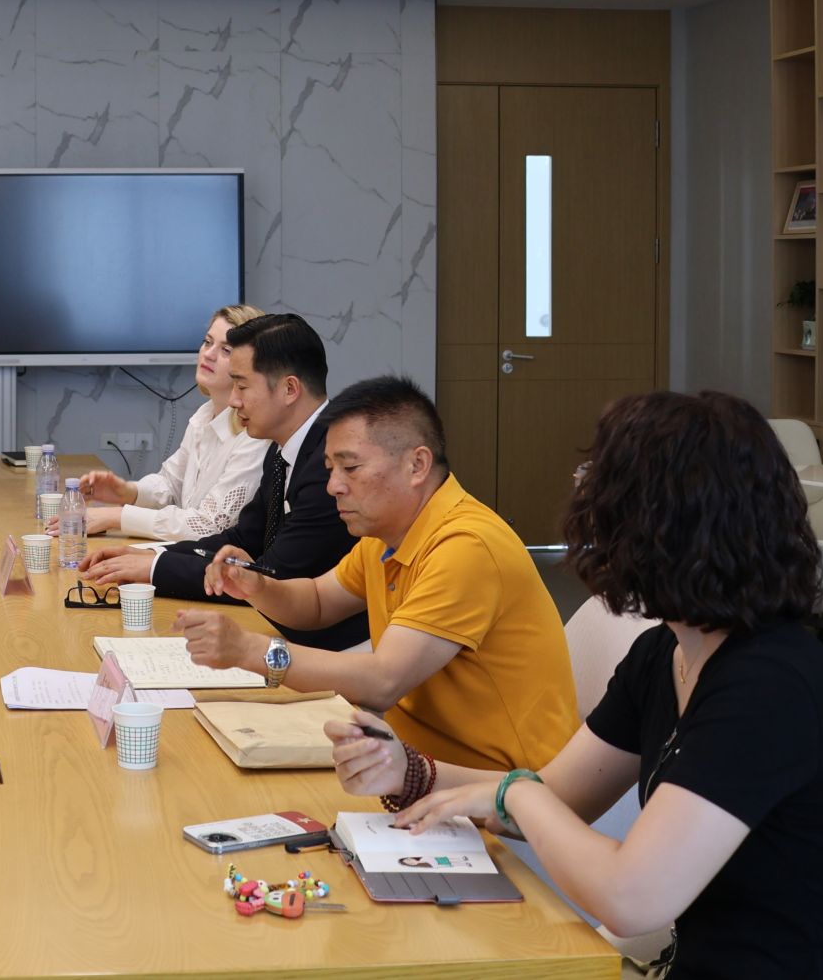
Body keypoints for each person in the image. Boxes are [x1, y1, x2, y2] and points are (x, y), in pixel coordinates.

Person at [326, 391, 823, 976]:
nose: (586, 505)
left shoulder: (770, 687)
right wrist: (408, 771)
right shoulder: (667, 654)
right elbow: (561, 794)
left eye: (601, 487)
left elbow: (631, 899)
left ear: (669, 521)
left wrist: (515, 793)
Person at [175, 375, 576, 773]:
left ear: (417, 465)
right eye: (330, 468)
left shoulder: (465, 546)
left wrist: (250, 650)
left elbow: (384, 681)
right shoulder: (388, 534)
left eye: (350, 467)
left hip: (499, 787)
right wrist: (258, 586)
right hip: (409, 758)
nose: (333, 486)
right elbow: (317, 602)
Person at [81, 313, 366, 652]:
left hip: (333, 649)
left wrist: (155, 567)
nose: (233, 400)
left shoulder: (329, 462)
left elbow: (273, 575)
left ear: (290, 389)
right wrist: (153, 555)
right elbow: (243, 537)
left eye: (242, 386)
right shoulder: (283, 449)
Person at [76, 303, 268, 541]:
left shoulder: (255, 434)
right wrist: (128, 492)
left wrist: (118, 516)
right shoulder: (204, 415)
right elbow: (170, 485)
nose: (208, 354)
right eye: (207, 342)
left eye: (226, 350)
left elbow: (210, 525)